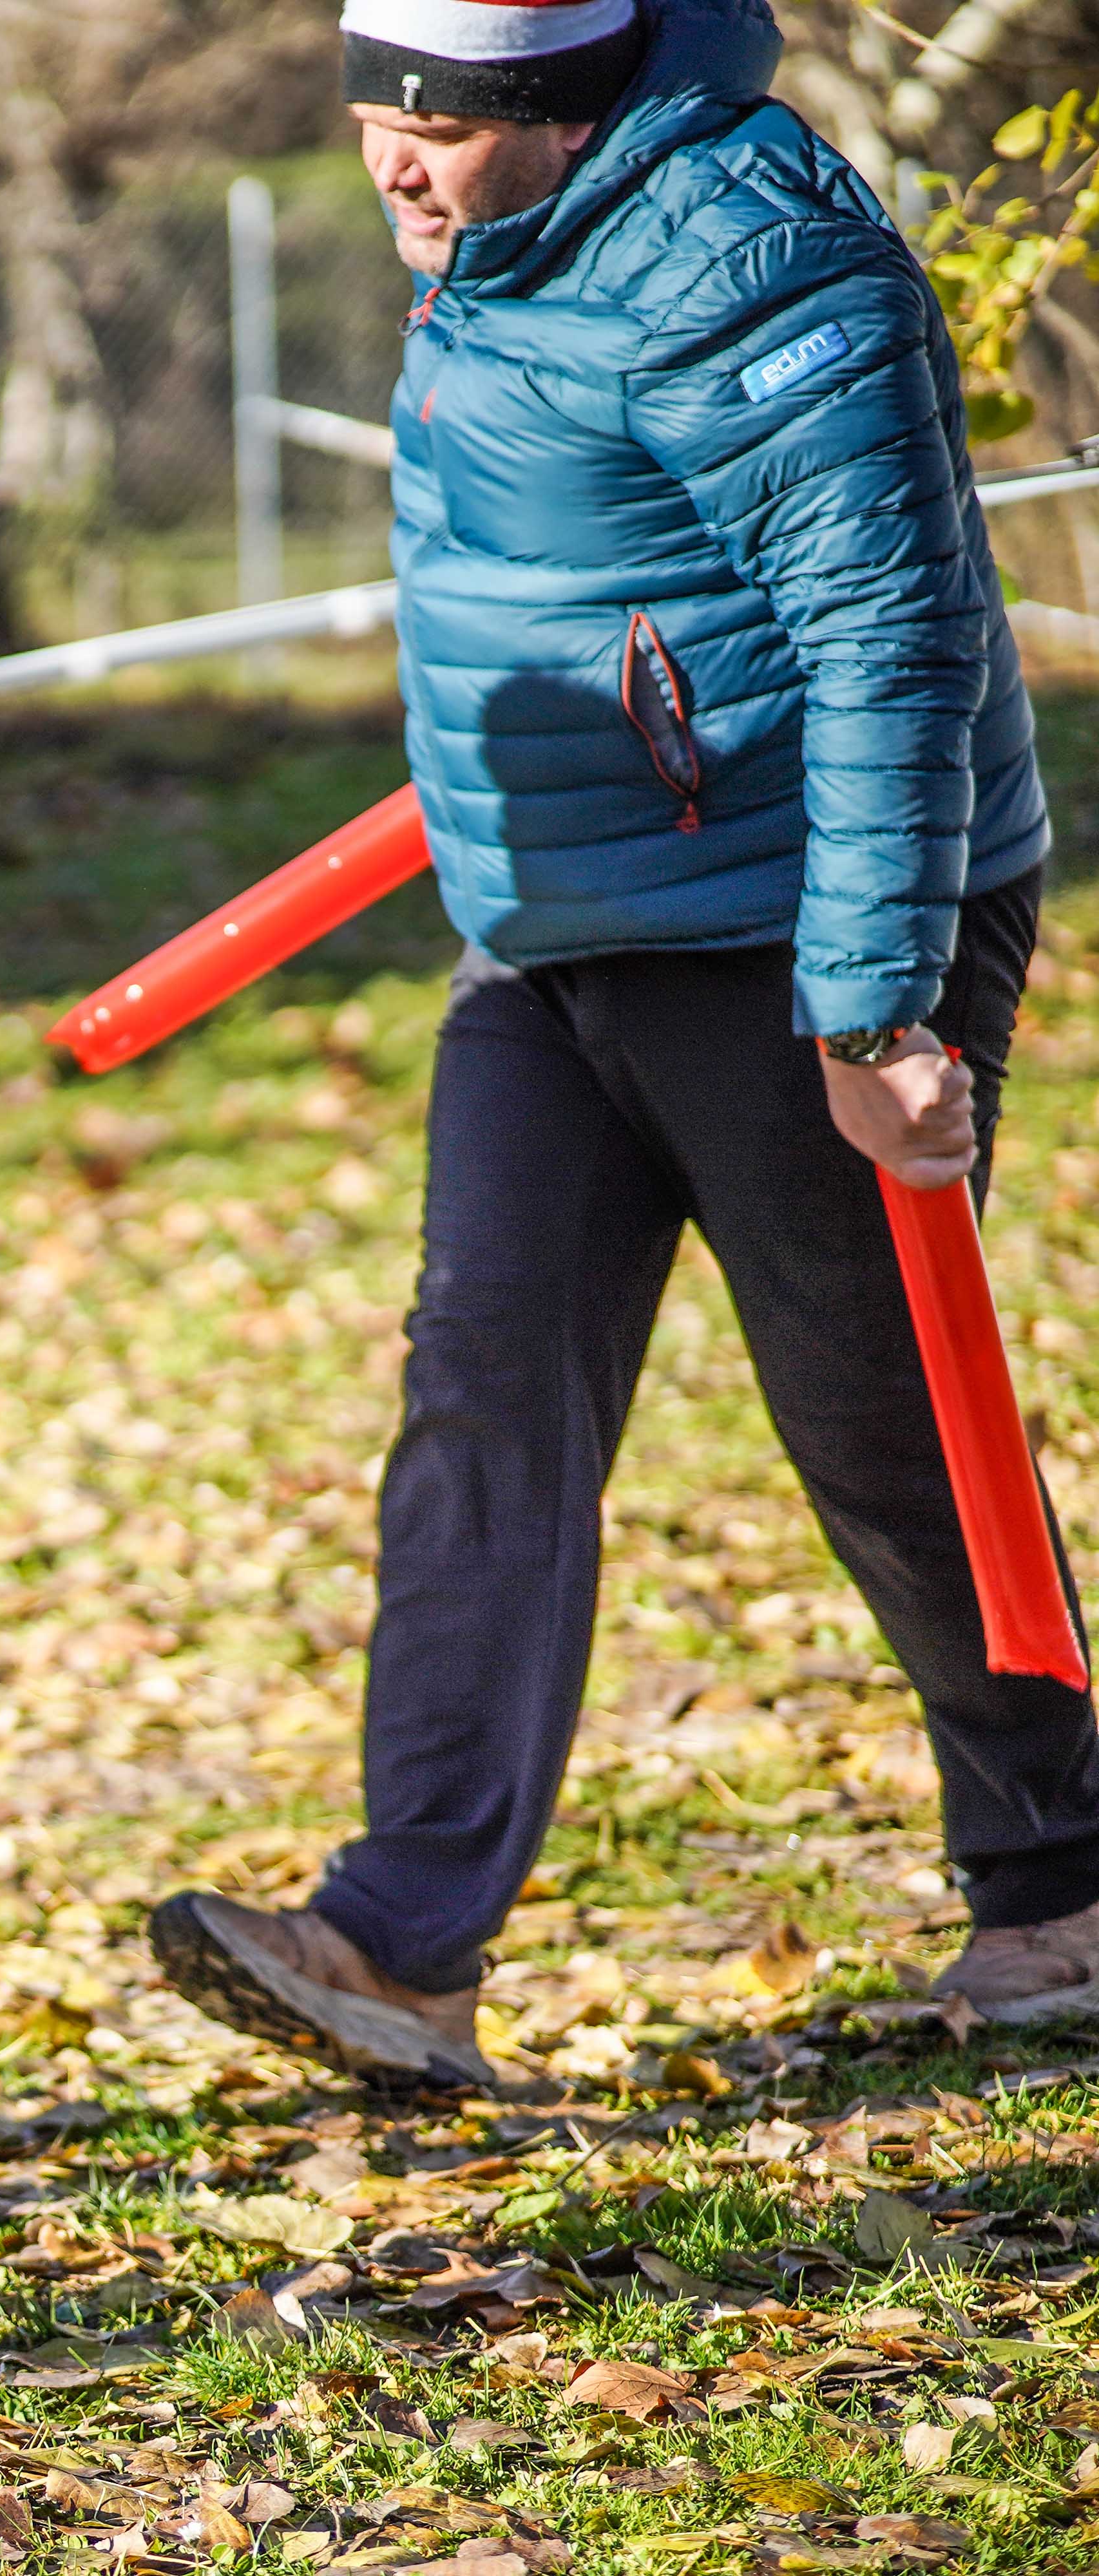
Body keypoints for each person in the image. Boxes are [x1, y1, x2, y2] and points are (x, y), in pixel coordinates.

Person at [152, 0, 1099, 2094]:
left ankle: (1064, 1875)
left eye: (456, 117)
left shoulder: (756, 253)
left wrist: (875, 1004)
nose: (401, 154)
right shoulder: (496, 237)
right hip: (556, 924)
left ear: (577, 100)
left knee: (874, 1412)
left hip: (807, 912)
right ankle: (403, 1941)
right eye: (376, 102)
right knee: (483, 1391)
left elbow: (894, 639)